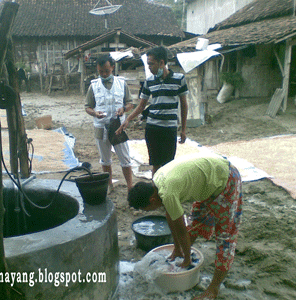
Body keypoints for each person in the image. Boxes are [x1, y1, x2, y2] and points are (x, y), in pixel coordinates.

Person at [128, 154, 243, 300]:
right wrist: (177, 248)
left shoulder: (167, 192)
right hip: (208, 180)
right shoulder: (157, 182)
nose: (150, 212)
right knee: (196, 221)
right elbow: (171, 217)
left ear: (152, 200)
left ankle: (213, 289)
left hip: (226, 179)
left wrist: (187, 259)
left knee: (225, 236)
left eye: (147, 210)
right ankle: (184, 251)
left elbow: (181, 230)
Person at [116, 46, 189, 176]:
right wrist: (128, 119)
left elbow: (184, 105)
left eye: (151, 64)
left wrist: (183, 129)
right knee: (155, 164)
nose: (149, 67)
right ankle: (155, 193)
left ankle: (164, 194)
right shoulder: (149, 82)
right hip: (152, 129)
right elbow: (141, 106)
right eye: (148, 64)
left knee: (168, 165)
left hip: (169, 129)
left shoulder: (179, 79)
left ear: (162, 62)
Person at [85, 54, 134, 191]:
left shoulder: (121, 83)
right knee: (105, 159)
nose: (104, 74)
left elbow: (130, 103)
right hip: (101, 127)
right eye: (101, 72)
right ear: (97, 70)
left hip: (118, 127)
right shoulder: (93, 86)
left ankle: (130, 186)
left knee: (125, 158)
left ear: (112, 67)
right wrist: (94, 113)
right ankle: (109, 185)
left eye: (107, 71)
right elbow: (87, 107)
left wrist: (124, 109)